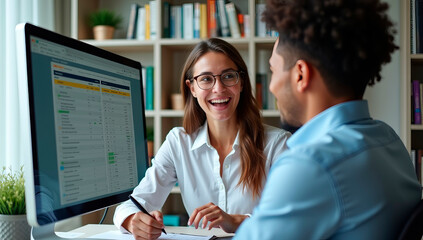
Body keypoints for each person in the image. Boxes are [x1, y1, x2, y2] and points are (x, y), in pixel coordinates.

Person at [234, 0, 422, 239]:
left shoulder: (310, 164)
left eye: (273, 70)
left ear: (300, 75)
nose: (270, 87)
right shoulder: (388, 140)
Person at [113, 38, 291, 240]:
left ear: (241, 82)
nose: (218, 88)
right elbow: (131, 205)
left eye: (228, 76)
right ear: (192, 88)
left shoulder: (277, 144)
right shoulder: (178, 143)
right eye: (206, 79)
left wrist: (237, 222)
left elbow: (293, 219)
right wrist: (133, 220)